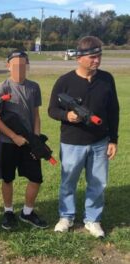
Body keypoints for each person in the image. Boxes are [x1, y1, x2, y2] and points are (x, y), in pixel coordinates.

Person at [48, 36, 119, 238]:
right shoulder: (65, 81)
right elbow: (52, 109)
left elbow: (113, 110)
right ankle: (66, 216)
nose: (97, 61)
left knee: (98, 183)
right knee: (68, 182)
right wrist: (67, 116)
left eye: (99, 56)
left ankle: (93, 220)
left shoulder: (107, 79)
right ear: (79, 58)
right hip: (72, 142)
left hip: (99, 142)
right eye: (93, 57)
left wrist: (113, 139)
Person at [0, 50, 48, 231]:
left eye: (23, 65)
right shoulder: (3, 88)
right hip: (8, 143)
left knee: (36, 178)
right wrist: (14, 136)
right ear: (8, 66)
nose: (19, 69)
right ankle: (8, 212)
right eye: (15, 65)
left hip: (29, 142)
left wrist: (36, 139)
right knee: (7, 179)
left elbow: (36, 115)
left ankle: (27, 212)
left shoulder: (34, 87)